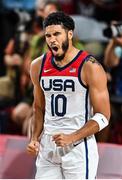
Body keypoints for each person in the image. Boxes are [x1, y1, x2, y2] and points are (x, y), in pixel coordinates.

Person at [27, 12, 110, 179]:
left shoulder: (90, 66)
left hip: (78, 147)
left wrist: (72, 137)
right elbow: (38, 108)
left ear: (70, 34)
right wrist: (34, 138)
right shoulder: (37, 65)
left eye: (57, 34)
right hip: (48, 146)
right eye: (48, 35)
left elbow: (103, 117)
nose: (52, 40)